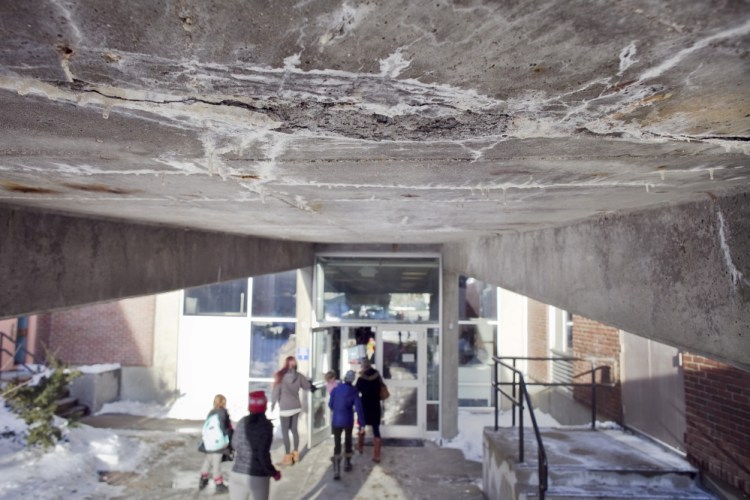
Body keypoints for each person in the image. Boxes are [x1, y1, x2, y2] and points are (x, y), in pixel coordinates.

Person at [229, 391, 281, 500]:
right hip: (257, 476)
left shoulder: (242, 422)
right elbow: (262, 455)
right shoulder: (266, 426)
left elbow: (234, 444)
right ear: (265, 407)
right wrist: (273, 472)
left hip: (237, 473)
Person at [271, 356, 315, 465]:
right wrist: (312, 384)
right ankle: (296, 454)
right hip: (296, 407)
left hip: (285, 408)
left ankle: (288, 457)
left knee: (285, 432)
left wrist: (272, 404)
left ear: (286, 364)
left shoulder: (281, 377)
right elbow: (307, 386)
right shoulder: (299, 376)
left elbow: (276, 391)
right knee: (294, 430)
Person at [328, 370, 365, 479]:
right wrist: (362, 423)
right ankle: (347, 464)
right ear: (352, 380)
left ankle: (336, 470)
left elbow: (330, 404)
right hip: (348, 420)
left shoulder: (336, 389)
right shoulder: (354, 392)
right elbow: (359, 409)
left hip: (336, 420)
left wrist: (337, 409)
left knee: (337, 443)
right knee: (348, 441)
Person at [198, 394, 233, 494]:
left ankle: (203, 479)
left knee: (208, 460)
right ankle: (219, 484)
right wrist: (229, 436)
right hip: (218, 442)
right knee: (216, 463)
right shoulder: (222, 412)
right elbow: (224, 427)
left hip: (209, 442)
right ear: (223, 402)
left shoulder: (211, 412)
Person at [355, 357, 385, 463]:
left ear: (363, 365)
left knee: (362, 426)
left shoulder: (361, 378)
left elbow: (356, 390)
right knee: (376, 428)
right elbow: (382, 386)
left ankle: (360, 447)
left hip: (365, 406)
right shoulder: (377, 375)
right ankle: (377, 456)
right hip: (375, 405)